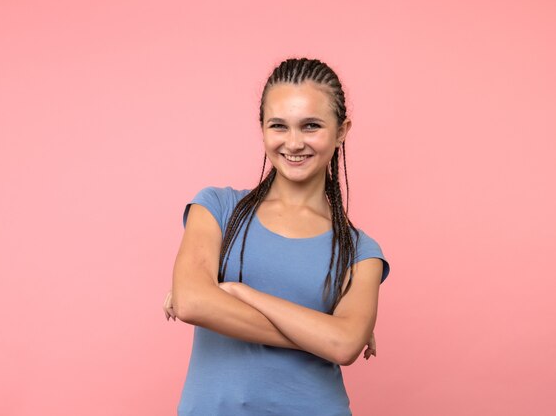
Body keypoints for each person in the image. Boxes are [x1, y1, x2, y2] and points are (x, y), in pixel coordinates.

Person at [163, 57, 391, 416]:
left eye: (311, 126)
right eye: (279, 126)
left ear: (342, 130)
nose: (294, 142)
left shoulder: (361, 251)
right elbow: (193, 302)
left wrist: (240, 293)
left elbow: (345, 345)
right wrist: (319, 336)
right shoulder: (217, 209)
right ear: (263, 128)